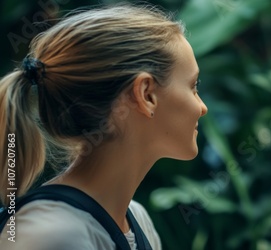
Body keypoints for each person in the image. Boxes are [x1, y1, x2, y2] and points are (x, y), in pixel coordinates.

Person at [0, 4, 207, 249]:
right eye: (193, 86)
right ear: (146, 94)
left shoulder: (137, 220)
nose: (202, 107)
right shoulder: (49, 235)